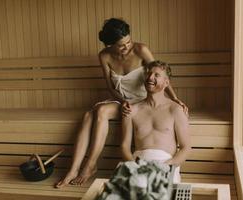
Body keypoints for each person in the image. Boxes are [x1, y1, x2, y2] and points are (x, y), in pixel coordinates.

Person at [55, 18, 187, 188]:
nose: (127, 47)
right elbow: (110, 86)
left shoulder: (141, 50)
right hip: (122, 99)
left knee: (98, 113)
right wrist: (122, 101)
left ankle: (90, 165)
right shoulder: (104, 56)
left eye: (129, 41)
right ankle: (73, 169)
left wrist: (174, 98)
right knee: (89, 115)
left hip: (142, 100)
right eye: (121, 45)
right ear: (109, 45)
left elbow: (158, 74)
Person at [121, 61, 191, 183]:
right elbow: (124, 147)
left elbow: (186, 148)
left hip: (166, 164)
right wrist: (135, 166)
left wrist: (167, 165)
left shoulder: (175, 110)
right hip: (138, 164)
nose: (150, 77)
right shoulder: (131, 110)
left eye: (156, 75)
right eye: (148, 73)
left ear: (166, 83)